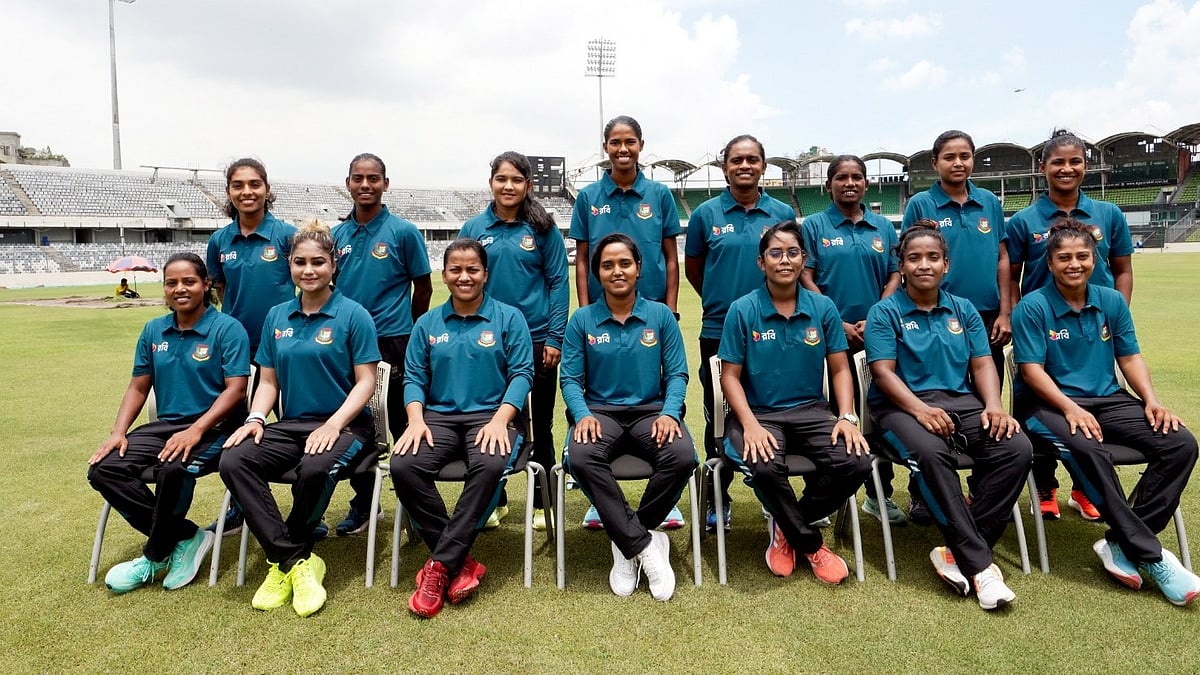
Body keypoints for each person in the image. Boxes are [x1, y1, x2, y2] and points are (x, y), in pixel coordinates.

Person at [1012, 218, 1199, 607]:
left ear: (1095, 258)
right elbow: (1031, 372)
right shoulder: (1032, 306)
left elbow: (1129, 357)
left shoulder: (1111, 300)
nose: (1074, 264)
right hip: (1046, 406)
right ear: (1049, 263)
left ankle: (1120, 542)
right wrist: (1071, 408)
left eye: (1082, 256)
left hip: (1109, 400)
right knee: (1090, 449)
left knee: (1180, 444)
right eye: (1064, 257)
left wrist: (1150, 400)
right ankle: (1153, 556)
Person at [865, 221, 1032, 610]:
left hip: (964, 405)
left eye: (933, 257)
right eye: (914, 258)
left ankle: (957, 550)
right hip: (900, 409)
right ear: (902, 266)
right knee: (931, 454)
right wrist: (921, 410)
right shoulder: (884, 312)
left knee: (1017, 448)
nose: (924, 265)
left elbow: (982, 365)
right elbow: (883, 373)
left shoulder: (964, 309)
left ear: (946, 265)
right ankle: (982, 568)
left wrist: (994, 406)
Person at [219, 220, 380, 617]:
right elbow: (268, 381)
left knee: (314, 468)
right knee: (234, 459)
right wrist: (256, 418)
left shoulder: (353, 314)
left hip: (347, 425)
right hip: (291, 425)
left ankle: (286, 553)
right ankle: (293, 560)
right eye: (300, 262)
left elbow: (366, 383)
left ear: (333, 266)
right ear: (289, 265)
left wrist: (334, 424)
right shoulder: (276, 317)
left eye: (318, 262)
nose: (309, 270)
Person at [88, 252, 250, 593]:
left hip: (219, 428)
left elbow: (236, 390)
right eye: (171, 283)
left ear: (206, 285)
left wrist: (196, 429)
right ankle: (186, 536)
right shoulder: (153, 330)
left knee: (173, 469)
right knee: (103, 469)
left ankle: (155, 554)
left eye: (189, 281)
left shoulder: (227, 328)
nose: (180, 289)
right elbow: (138, 386)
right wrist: (118, 433)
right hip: (168, 425)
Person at [719, 222, 870, 585]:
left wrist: (847, 416)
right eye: (775, 253)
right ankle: (812, 545)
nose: (784, 260)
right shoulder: (743, 309)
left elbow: (839, 369)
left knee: (857, 462)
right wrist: (750, 425)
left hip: (812, 411)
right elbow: (729, 377)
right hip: (759, 415)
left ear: (804, 258)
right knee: (765, 467)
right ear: (761, 263)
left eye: (792, 252)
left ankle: (787, 527)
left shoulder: (822, 307)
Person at [391, 238, 534, 619]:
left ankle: (438, 568)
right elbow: (414, 379)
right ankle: (461, 561)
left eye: (472, 269)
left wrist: (501, 419)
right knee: (403, 465)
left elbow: (522, 374)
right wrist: (416, 420)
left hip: (492, 416)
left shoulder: (509, 317)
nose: (464, 276)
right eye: (456, 269)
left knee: (488, 465)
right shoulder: (427, 323)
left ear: (486, 274)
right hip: (436, 418)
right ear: (444, 275)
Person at [560, 233, 698, 602]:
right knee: (582, 455)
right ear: (596, 273)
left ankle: (628, 540)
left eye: (624, 263)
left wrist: (670, 413)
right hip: (600, 414)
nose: (616, 271)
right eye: (607, 265)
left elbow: (678, 374)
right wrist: (582, 414)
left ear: (638, 269)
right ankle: (644, 544)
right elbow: (571, 378)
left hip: (651, 413)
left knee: (683, 456)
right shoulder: (582, 320)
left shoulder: (661, 316)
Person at [1006, 129, 1134, 521]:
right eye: (1058, 162)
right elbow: (1011, 276)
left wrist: (1117, 313)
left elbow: (1123, 270)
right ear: (1043, 167)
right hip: (1043, 333)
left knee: (1094, 406)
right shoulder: (1025, 220)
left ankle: (1085, 489)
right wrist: (1012, 317)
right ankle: (1044, 486)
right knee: (1040, 409)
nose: (1066, 169)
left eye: (1074, 161)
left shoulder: (1108, 214)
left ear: (1086, 165)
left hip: (1093, 334)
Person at [569, 114, 686, 530]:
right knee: (591, 403)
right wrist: (586, 310)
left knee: (658, 398)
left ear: (641, 145)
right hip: (600, 315)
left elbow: (672, 256)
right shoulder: (588, 197)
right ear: (606, 147)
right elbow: (583, 259)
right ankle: (598, 500)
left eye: (630, 141)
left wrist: (669, 307)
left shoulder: (659, 194)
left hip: (652, 312)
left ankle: (663, 501)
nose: (623, 149)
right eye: (615, 142)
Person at [684, 134, 797, 532]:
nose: (744, 166)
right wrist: (726, 306)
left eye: (752, 159)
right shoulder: (705, 214)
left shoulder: (781, 211)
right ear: (725, 166)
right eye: (736, 160)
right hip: (718, 329)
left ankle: (773, 496)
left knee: (771, 407)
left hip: (774, 328)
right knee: (719, 413)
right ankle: (719, 496)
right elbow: (694, 270)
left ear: (764, 165)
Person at [901, 130, 1012, 525]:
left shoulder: (989, 203)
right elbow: (912, 255)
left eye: (965, 156)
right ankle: (923, 492)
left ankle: (982, 492)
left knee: (984, 406)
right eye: (950, 156)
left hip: (983, 317)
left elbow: (1002, 258)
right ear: (936, 163)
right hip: (933, 315)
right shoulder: (922, 202)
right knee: (930, 400)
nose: (958, 163)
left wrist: (1005, 310)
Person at [459, 151, 569, 532]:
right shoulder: (474, 227)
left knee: (541, 424)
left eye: (516, 180)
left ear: (528, 186)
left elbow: (558, 282)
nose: (508, 186)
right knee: (492, 421)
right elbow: (462, 282)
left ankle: (544, 502)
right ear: (491, 182)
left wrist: (555, 336)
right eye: (501, 179)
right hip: (488, 343)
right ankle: (495, 499)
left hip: (539, 339)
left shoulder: (542, 228)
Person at [331, 152, 433, 536]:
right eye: (358, 178)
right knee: (361, 426)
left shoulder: (403, 232)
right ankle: (365, 504)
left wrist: (411, 328)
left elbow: (421, 287)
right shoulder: (336, 235)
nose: (365, 185)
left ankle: (414, 508)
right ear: (348, 183)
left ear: (386, 184)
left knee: (405, 422)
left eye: (373, 178)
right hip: (346, 344)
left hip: (394, 340)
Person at [799, 154, 903, 525]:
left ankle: (879, 495)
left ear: (866, 184)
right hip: (827, 332)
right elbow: (805, 277)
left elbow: (895, 276)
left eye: (857, 177)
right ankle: (818, 497)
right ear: (828, 185)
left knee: (875, 410)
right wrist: (835, 319)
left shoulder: (883, 227)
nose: (850, 183)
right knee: (825, 412)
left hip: (875, 333)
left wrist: (876, 317)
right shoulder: (813, 225)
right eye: (841, 177)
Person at [205, 158, 298, 537]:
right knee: (237, 431)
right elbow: (221, 290)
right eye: (239, 185)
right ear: (229, 192)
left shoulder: (286, 235)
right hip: (236, 356)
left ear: (267, 188)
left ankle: (328, 508)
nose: (247, 191)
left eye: (255, 184)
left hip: (285, 349)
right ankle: (243, 508)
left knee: (299, 427)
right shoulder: (219, 240)